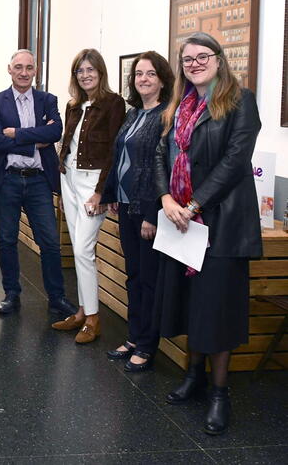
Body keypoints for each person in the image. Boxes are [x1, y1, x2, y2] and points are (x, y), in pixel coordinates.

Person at [154, 32, 261, 435]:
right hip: (181, 221)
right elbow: (161, 153)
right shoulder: (178, 106)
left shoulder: (239, 100)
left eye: (202, 57)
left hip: (220, 224)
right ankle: (193, 377)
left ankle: (219, 393)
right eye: (187, 59)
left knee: (216, 309)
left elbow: (236, 162)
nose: (194, 64)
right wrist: (165, 197)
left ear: (219, 59)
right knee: (191, 304)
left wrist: (194, 205)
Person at [0, 50, 79, 318]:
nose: (24, 72)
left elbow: (55, 132)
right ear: (9, 69)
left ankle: (57, 297)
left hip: (38, 181)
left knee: (49, 241)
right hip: (8, 180)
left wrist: (17, 134)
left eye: (29, 67)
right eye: (18, 67)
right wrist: (35, 142)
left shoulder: (47, 100)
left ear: (35, 70)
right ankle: (11, 294)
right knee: (6, 240)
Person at [100, 51, 174, 372]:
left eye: (150, 74)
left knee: (148, 279)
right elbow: (120, 157)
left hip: (147, 212)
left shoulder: (165, 116)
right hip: (126, 206)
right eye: (139, 74)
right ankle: (133, 335)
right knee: (133, 276)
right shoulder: (133, 115)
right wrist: (114, 193)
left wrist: (152, 213)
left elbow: (162, 168)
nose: (143, 79)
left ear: (162, 80)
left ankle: (146, 344)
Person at [54, 49, 125, 343]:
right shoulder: (74, 105)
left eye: (90, 70)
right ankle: (82, 311)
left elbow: (114, 150)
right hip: (68, 179)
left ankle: (94, 318)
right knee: (77, 245)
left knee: (84, 250)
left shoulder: (113, 103)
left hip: (93, 183)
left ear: (100, 72)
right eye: (80, 71)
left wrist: (101, 192)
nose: (85, 75)